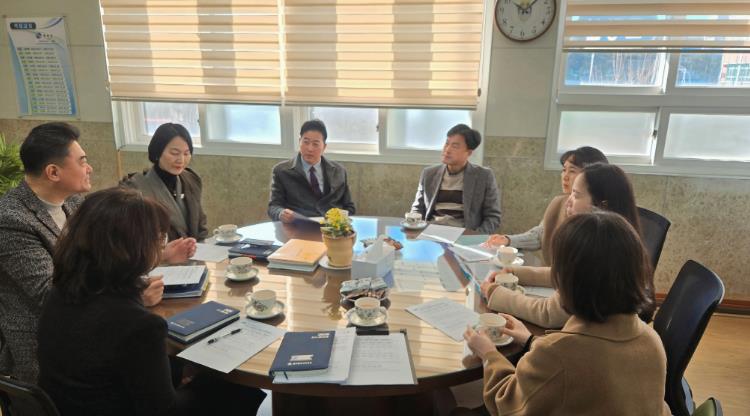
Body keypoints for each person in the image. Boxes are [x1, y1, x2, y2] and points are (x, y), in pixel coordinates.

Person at [38, 188, 266, 416]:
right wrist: (206, 379)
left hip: (67, 407)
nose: (161, 246)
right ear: (132, 248)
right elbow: (165, 411)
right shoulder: (138, 324)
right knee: (235, 388)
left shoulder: (60, 293)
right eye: (158, 238)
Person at [0, 122, 191, 383]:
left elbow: (106, 261)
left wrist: (161, 256)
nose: (89, 168)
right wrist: (132, 296)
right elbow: (51, 293)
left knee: (169, 359)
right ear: (53, 172)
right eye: (82, 162)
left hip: (95, 328)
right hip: (47, 351)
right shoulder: (11, 219)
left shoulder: (74, 202)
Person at [464, 212, 670, 416]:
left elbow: (507, 403)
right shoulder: (652, 342)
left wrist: (488, 354)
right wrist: (530, 340)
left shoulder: (556, 354)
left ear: (567, 281)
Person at [481, 163, 654, 328]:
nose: (568, 201)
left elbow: (548, 314)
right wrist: (515, 273)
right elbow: (564, 274)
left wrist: (494, 293)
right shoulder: (615, 240)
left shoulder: (598, 252)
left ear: (602, 205)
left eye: (576, 195)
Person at [484, 146, 608, 265]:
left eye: (572, 171)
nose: (565, 176)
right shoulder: (559, 202)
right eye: (564, 170)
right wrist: (508, 240)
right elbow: (540, 234)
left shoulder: (601, 222)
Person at [121, 122, 208, 241]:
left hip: (195, 250)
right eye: (174, 153)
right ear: (157, 152)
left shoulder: (191, 179)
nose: (181, 160)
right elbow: (135, 237)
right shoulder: (135, 188)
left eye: (186, 153)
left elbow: (201, 228)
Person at [410, 124, 501, 233]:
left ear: (469, 152)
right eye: (447, 143)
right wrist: (415, 228)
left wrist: (475, 237)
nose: (447, 150)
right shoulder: (429, 173)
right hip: (431, 232)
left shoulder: (484, 176)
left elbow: (493, 217)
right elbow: (417, 209)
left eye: (455, 146)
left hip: (462, 234)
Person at [268, 119, 356, 222]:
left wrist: (338, 219)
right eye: (306, 142)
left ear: (324, 147)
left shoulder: (339, 171)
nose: (309, 149)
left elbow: (349, 207)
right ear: (299, 141)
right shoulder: (281, 171)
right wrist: (280, 213)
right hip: (298, 226)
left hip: (332, 228)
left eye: (315, 144)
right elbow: (273, 207)